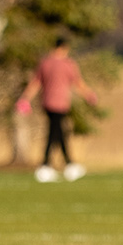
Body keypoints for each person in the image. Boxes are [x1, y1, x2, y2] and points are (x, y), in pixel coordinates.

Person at [18, 37, 98, 182]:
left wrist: (25, 98)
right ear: (63, 48)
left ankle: (66, 163)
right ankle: (48, 165)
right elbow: (78, 83)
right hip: (61, 103)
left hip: (47, 103)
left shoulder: (44, 63)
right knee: (54, 133)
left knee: (58, 132)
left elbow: (35, 83)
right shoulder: (68, 64)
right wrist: (89, 95)